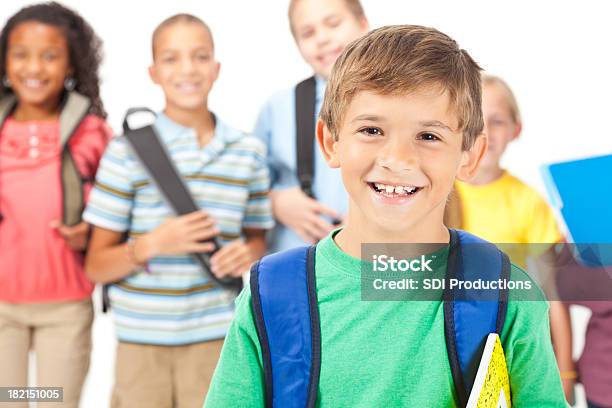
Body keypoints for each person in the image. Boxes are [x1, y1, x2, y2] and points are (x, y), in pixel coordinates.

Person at [204, 25, 567, 407]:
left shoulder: (507, 295)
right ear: (331, 142)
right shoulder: (271, 293)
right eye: (372, 129)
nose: (398, 159)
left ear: (470, 156)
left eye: (428, 136)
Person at [83, 14, 273, 408]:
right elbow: (96, 265)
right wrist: (153, 244)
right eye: (171, 59)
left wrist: (249, 253)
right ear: (153, 73)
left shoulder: (248, 152)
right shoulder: (126, 152)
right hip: (140, 343)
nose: (187, 69)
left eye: (200, 56)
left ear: (216, 68)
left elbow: (258, 239)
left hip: (218, 338)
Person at [0, 3, 111, 407]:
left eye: (49, 55)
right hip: (1, 309)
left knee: (54, 401)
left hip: (64, 307)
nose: (34, 67)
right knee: (9, 399)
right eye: (21, 54)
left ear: (71, 65)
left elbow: (120, 205)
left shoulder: (92, 132)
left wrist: (92, 232)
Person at [451, 74, 575, 402]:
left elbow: (551, 298)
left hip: (505, 349)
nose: (484, 133)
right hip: (447, 346)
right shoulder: (434, 193)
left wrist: (564, 373)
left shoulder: (528, 203)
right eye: (474, 120)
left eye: (497, 121)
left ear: (515, 130)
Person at [253, 0, 368, 253]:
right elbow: (247, 187)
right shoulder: (278, 108)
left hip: (377, 262)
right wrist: (276, 202)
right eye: (308, 33)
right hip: (295, 262)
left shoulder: (402, 101)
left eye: (333, 23)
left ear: (363, 24)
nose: (322, 39)